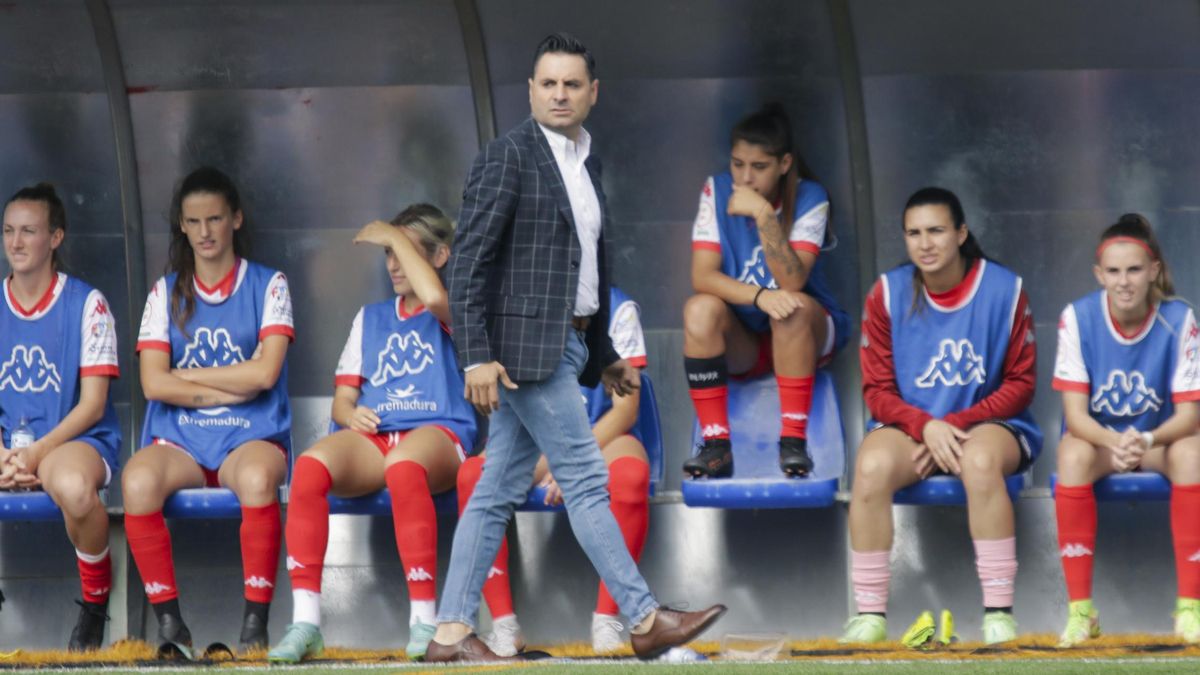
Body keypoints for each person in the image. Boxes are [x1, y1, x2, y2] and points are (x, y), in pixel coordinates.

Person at [428, 32, 725, 663]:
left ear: (593, 93)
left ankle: (450, 632)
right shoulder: (507, 157)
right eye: (548, 83)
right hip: (522, 352)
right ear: (530, 90)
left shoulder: (585, 162)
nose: (559, 94)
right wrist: (475, 356)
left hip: (570, 343)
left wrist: (602, 353)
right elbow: (470, 265)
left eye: (571, 84)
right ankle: (644, 619)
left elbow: (582, 271)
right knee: (588, 479)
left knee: (495, 492)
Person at [267, 204, 477, 663]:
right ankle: (306, 622)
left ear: (440, 255)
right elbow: (342, 398)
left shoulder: (458, 301)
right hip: (377, 438)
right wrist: (353, 411)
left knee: (404, 466)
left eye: (406, 251)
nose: (395, 264)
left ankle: (425, 619)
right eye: (388, 253)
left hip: (438, 433)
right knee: (308, 467)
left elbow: (438, 301)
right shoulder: (372, 317)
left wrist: (394, 235)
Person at [842, 187, 1041, 645]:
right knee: (870, 467)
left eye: (936, 230)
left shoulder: (1004, 289)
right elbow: (876, 391)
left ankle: (998, 614)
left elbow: (1020, 384)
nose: (925, 243)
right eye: (914, 233)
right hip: (915, 426)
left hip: (989, 425)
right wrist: (925, 427)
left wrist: (954, 425)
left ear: (961, 233)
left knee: (980, 462)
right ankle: (869, 615)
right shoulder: (888, 292)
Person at [124, 167, 293, 657]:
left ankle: (254, 628)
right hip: (181, 439)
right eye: (193, 221)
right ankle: (171, 628)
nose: (205, 233)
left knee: (260, 478)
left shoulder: (268, 284)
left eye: (215, 218)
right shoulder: (166, 291)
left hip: (251, 435)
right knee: (136, 481)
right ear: (181, 224)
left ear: (235, 219)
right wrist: (228, 383)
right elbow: (153, 381)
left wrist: (189, 379)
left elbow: (265, 375)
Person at [456, 285, 651, 655]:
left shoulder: (618, 305)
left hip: (602, 432)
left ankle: (609, 620)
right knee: (472, 476)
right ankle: (503, 625)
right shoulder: (517, 301)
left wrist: (574, 460)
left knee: (630, 474)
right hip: (535, 438)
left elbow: (625, 409)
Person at [1053, 214, 1200, 646]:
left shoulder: (1180, 318)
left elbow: (1190, 415)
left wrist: (1147, 440)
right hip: (1103, 445)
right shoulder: (1078, 317)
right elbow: (1076, 417)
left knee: (1193, 452)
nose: (1124, 282)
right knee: (1071, 453)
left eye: (1134, 269)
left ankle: (1190, 609)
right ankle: (1081, 614)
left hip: (1159, 443)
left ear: (1153, 270)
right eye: (1113, 271)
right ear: (1099, 275)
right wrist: (1115, 442)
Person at [682, 103, 848, 479]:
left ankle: (793, 443)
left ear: (784, 164)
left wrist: (762, 215)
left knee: (790, 309)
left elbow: (791, 282)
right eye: (738, 164)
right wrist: (759, 297)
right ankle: (716, 447)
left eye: (759, 167)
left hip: (807, 334)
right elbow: (703, 276)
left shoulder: (810, 195)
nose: (745, 178)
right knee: (699, 310)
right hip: (747, 338)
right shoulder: (717, 189)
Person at [0, 184, 121, 650]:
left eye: (29, 231)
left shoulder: (87, 303)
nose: (16, 242)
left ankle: (94, 605)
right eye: (9, 230)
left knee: (72, 487)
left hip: (72, 441)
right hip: (10, 446)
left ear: (55, 238)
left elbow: (92, 404)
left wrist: (34, 453)